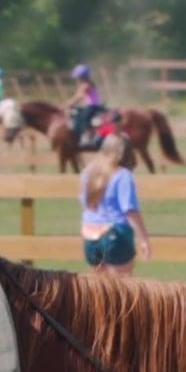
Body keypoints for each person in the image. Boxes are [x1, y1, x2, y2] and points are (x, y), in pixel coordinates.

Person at [79, 134, 150, 276]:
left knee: (99, 288)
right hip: (115, 234)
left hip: (90, 234)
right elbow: (130, 211)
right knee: (122, 288)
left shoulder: (88, 172)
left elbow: (84, 202)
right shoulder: (123, 175)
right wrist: (144, 239)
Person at [64, 63, 104, 148]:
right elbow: (77, 96)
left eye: (78, 77)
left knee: (83, 118)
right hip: (90, 105)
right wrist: (69, 103)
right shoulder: (85, 84)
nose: (76, 79)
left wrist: (68, 104)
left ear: (82, 76)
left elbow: (79, 96)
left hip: (93, 106)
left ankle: (87, 137)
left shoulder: (86, 85)